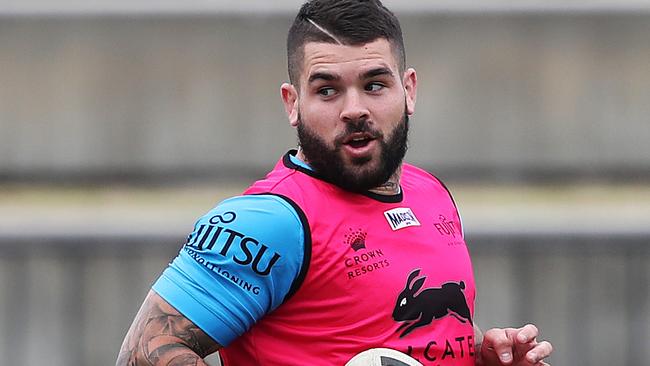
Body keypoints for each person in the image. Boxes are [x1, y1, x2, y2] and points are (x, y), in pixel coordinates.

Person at [117, 1, 553, 365]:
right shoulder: (269, 220)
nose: (354, 109)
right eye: (327, 90)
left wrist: (483, 355)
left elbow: (414, 337)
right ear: (293, 103)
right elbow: (144, 355)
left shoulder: (430, 194)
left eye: (375, 85)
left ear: (409, 90)